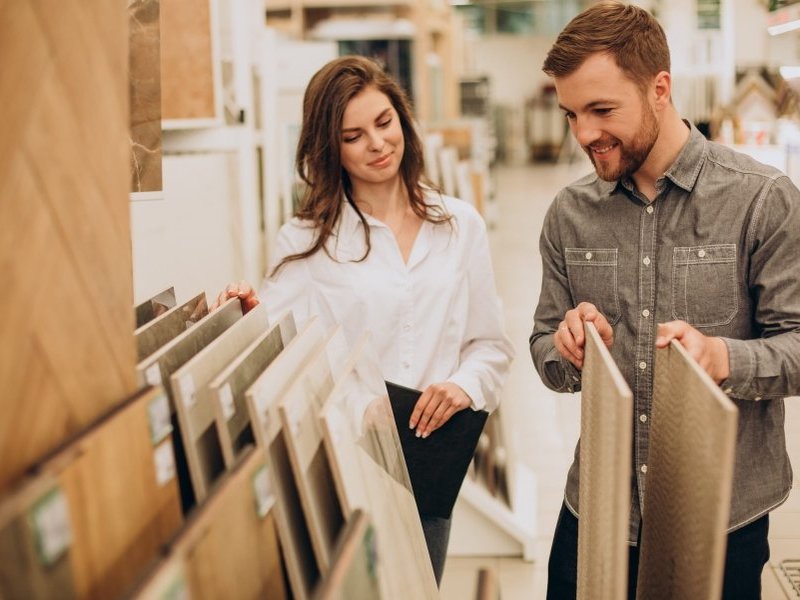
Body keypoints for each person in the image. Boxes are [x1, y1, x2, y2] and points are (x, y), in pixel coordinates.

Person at [529, 2, 800, 598]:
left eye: (602, 110)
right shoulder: (570, 216)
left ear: (660, 88)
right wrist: (567, 346)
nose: (584, 135)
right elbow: (544, 348)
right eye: (571, 113)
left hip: (723, 515)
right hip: (600, 509)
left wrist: (723, 359)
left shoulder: (762, 200)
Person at [215, 55, 514, 585]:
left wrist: (462, 386)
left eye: (384, 123)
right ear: (331, 148)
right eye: (353, 136)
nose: (377, 144)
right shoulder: (307, 241)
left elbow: (490, 346)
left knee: (421, 588)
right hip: (348, 461)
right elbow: (281, 351)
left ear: (402, 120)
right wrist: (242, 315)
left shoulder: (459, 226)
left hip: (428, 463)